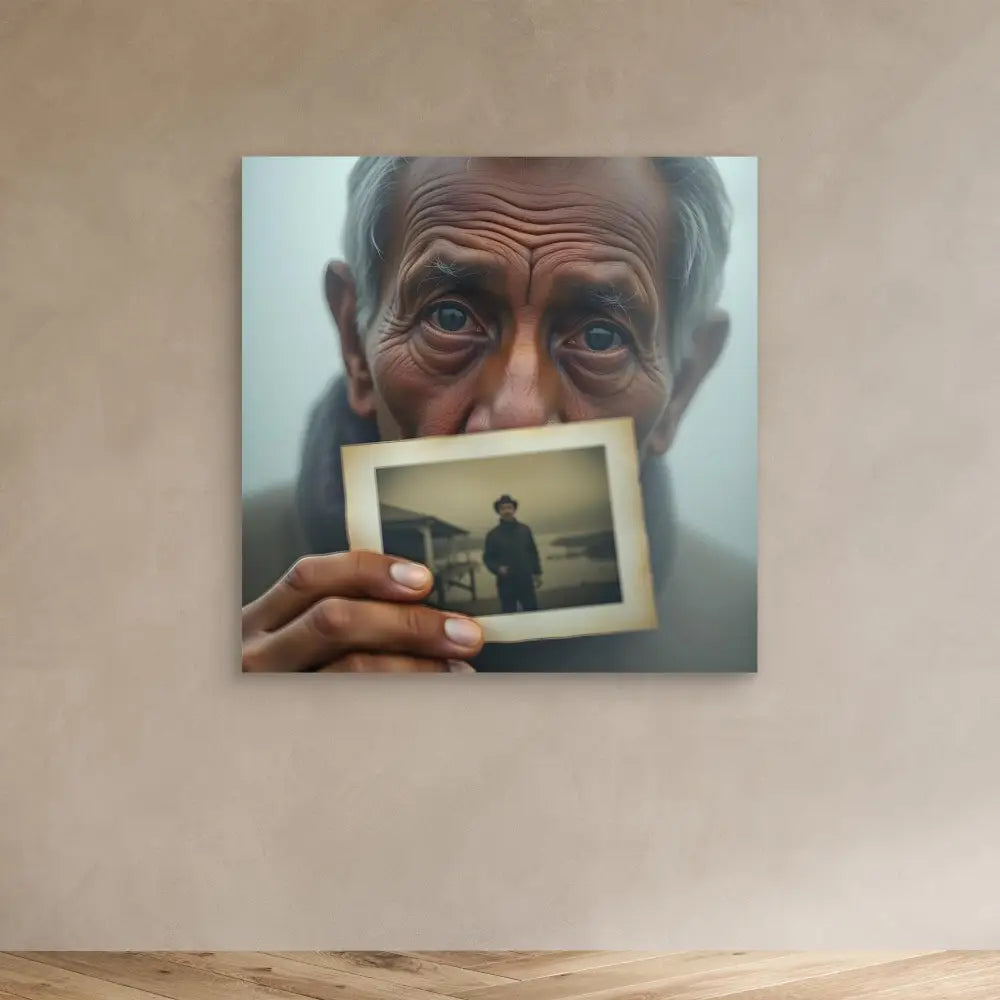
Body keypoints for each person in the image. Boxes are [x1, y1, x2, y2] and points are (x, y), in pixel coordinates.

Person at [242, 156, 756, 673]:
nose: (517, 417)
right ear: (355, 341)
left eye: (601, 337)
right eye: (450, 317)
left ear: (684, 385)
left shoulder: (751, 636)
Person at [482, 495, 542, 614]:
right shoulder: (493, 534)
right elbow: (487, 558)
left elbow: (533, 552)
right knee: (509, 614)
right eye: (503, 508)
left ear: (514, 510)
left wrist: (537, 573)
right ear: (499, 512)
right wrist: (498, 568)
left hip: (525, 579)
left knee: (532, 612)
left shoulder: (525, 530)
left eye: (509, 507)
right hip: (505, 582)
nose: (506, 511)